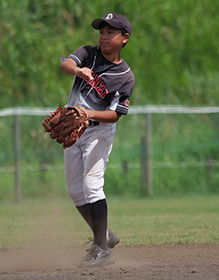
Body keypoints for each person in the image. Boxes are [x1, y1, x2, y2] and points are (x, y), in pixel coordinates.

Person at [59, 12, 135, 268]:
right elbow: (65, 65)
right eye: (102, 31)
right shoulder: (88, 53)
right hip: (73, 130)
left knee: (92, 186)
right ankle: (103, 236)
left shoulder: (125, 77)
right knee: (75, 191)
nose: (104, 36)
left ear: (124, 38)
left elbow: (115, 114)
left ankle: (102, 250)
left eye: (110, 32)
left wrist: (87, 113)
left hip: (98, 132)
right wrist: (79, 70)